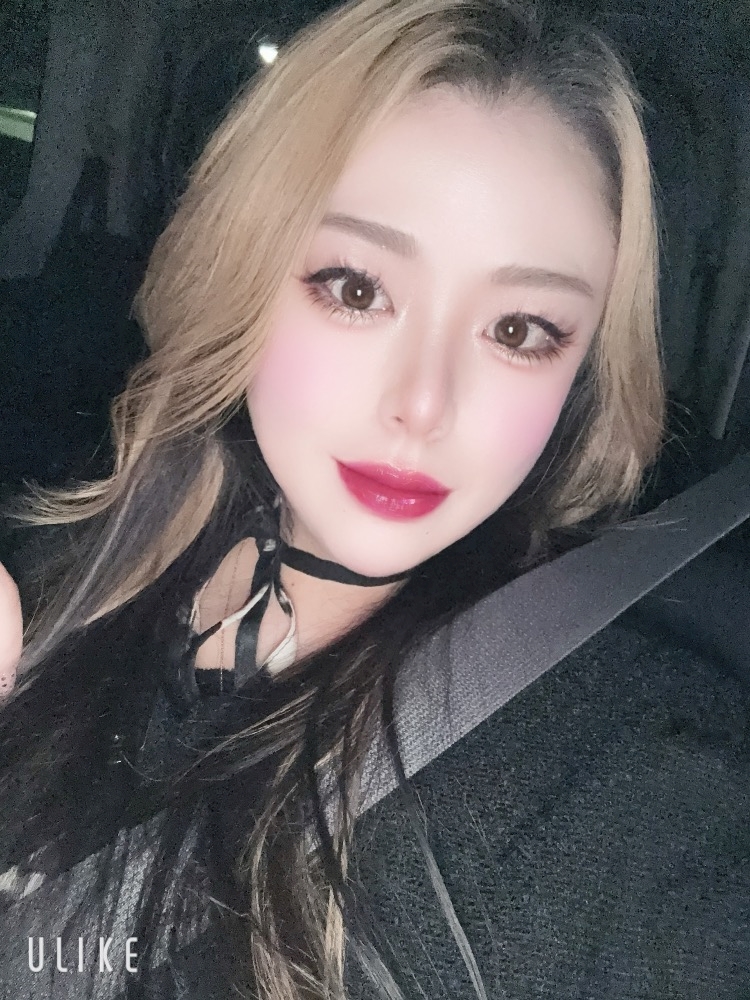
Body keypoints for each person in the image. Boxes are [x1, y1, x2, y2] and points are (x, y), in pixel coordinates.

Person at [0, 0, 666, 996]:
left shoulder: (604, 768)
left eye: (520, 330)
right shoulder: (89, 541)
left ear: (583, 374)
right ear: (243, 269)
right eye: (356, 288)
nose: (423, 406)